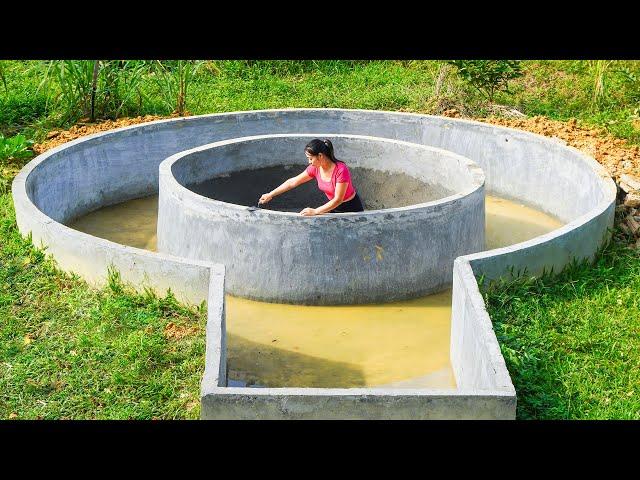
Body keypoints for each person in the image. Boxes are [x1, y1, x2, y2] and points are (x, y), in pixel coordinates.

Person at [258, 138, 364, 216]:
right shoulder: (315, 168)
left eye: (310, 158)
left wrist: (315, 211)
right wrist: (271, 194)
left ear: (320, 156)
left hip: (351, 209)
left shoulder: (341, 169)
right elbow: (293, 182)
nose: (309, 162)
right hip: (332, 207)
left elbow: (338, 199)